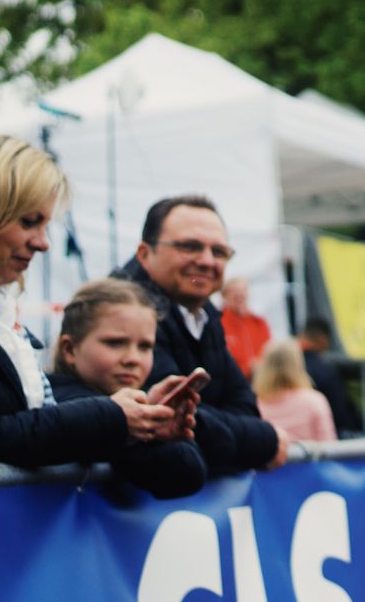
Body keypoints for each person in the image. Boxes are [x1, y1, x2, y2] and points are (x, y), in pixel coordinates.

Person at [0, 134, 181, 467]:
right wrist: (111, 417)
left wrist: (139, 415)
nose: (43, 243)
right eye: (29, 222)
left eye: (46, 224)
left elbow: (27, 432)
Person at [116, 195, 289, 473]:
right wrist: (263, 440)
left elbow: (244, 406)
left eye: (219, 252)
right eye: (189, 246)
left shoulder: (204, 313)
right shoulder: (121, 311)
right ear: (145, 254)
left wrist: (236, 434)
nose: (207, 261)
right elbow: (175, 420)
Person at [50, 278, 207, 497]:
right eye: (115, 343)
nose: (133, 359)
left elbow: (188, 471)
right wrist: (131, 425)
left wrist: (151, 419)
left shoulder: (133, 398)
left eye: (145, 347)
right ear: (70, 349)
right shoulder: (55, 399)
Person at [254, 338, 338, 442]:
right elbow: (328, 443)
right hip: (308, 457)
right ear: (298, 364)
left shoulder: (255, 403)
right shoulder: (315, 400)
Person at [297, 317, 364, 436]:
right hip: (323, 440)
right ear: (323, 340)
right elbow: (340, 413)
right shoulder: (326, 371)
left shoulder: (290, 367)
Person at [219, 277, 271, 375]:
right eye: (234, 293)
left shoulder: (259, 322)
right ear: (224, 296)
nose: (240, 296)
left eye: (242, 293)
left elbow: (268, 352)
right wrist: (247, 368)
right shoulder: (218, 323)